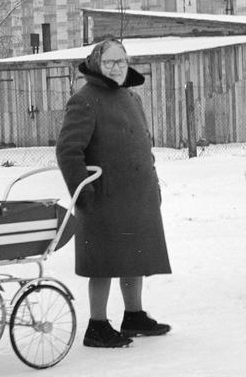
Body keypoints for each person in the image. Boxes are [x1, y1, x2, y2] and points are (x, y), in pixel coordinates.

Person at [55, 36, 172, 347]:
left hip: (137, 196)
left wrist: (154, 183)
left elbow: (144, 146)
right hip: (102, 198)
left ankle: (134, 315)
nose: (116, 68)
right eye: (109, 62)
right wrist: (83, 192)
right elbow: (68, 151)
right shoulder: (85, 99)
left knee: (133, 256)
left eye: (121, 61)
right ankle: (97, 325)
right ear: (96, 64)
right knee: (103, 263)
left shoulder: (132, 98)